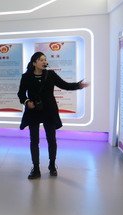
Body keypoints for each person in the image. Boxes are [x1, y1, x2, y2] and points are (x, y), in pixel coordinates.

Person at [17, 51, 89, 179]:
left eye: (45, 59)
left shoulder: (50, 75)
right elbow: (21, 94)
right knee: (34, 140)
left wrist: (78, 85)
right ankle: (36, 168)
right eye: (41, 60)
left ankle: (52, 165)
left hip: (49, 111)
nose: (44, 62)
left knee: (51, 139)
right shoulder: (26, 76)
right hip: (33, 111)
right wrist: (27, 102)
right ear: (34, 63)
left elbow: (65, 85)